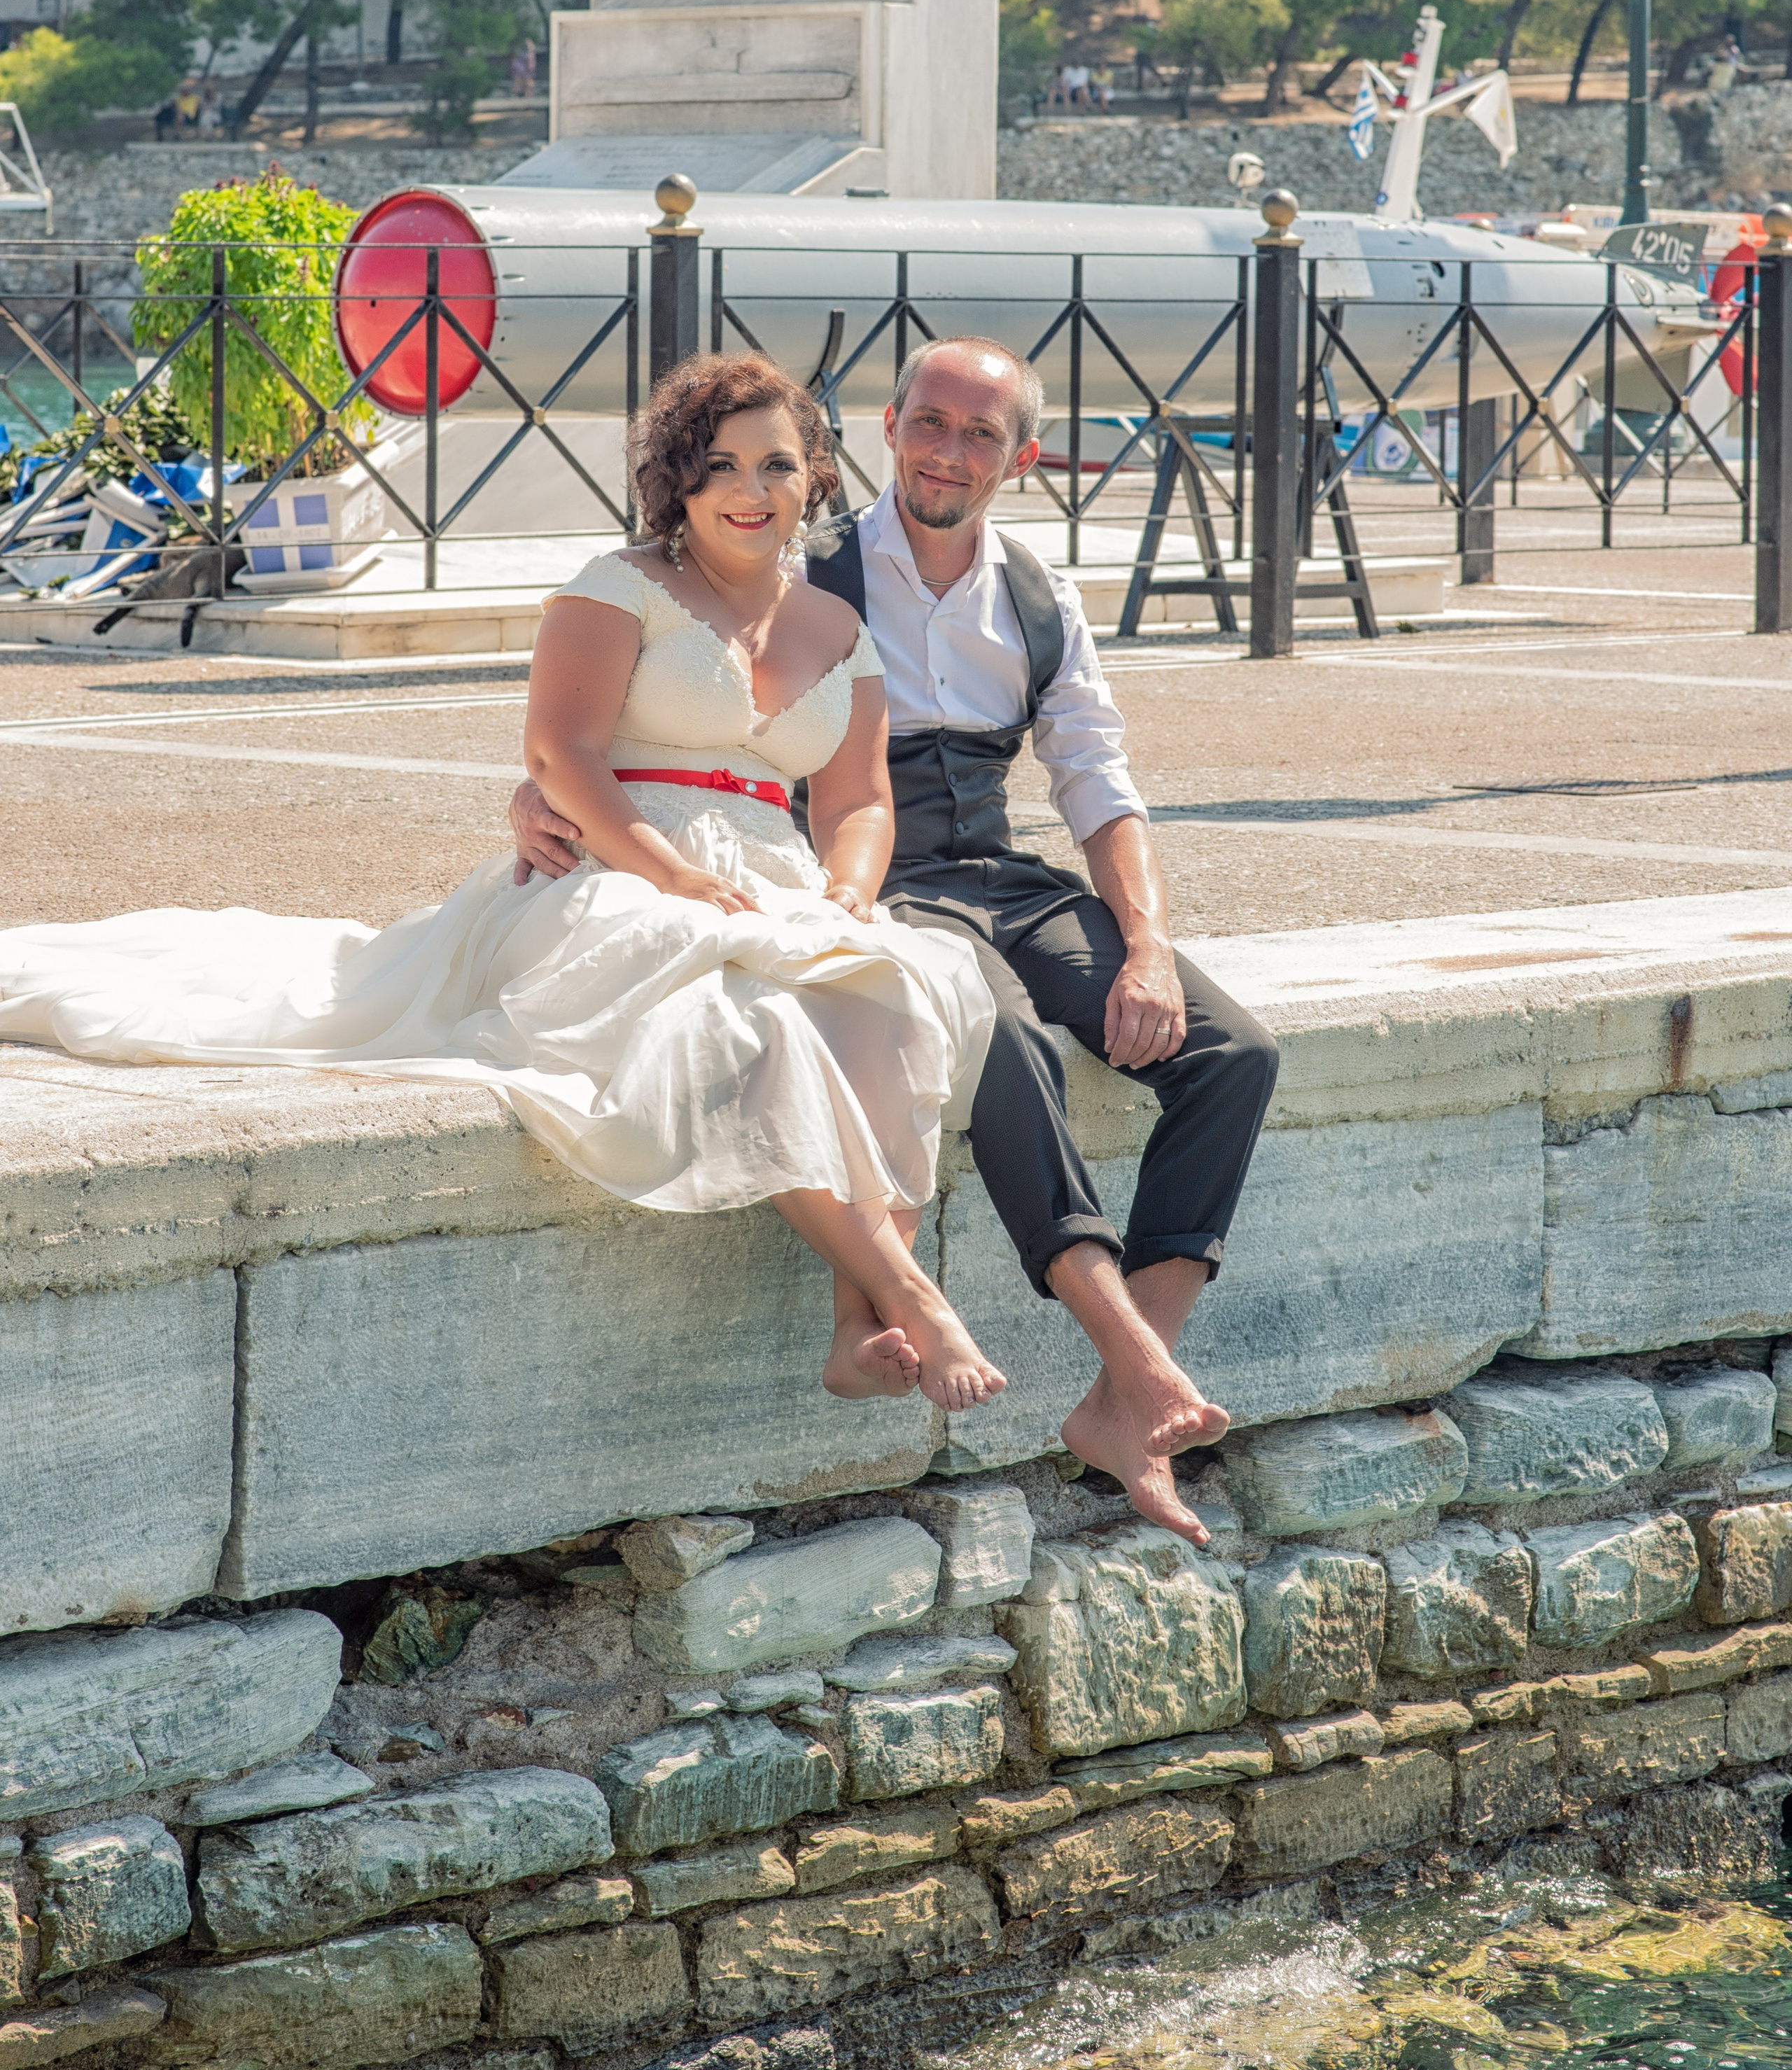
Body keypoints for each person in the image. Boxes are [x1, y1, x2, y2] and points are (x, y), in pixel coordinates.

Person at [0, 354, 1007, 1418]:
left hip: (775, 877)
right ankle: (913, 1297)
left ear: (814, 478)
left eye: (776, 466)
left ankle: (857, 1328)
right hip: (611, 867)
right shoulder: (618, 585)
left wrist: (850, 889)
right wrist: (669, 874)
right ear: (679, 480)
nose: (750, 493)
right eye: (719, 467)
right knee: (742, 1021)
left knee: (887, 998)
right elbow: (560, 754)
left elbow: (859, 802)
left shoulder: (839, 632)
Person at [514, 339, 1279, 1544]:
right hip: (868, 882)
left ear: (1020, 458)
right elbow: (642, 700)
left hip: (994, 867)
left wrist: (1147, 944)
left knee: (1235, 1052)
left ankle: (1131, 1389)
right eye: (930, 423)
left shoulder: (1039, 593)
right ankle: (1126, 1356)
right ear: (885, 427)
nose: (947, 452)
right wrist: (542, 796)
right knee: (1006, 1043)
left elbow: (1098, 782)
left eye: (980, 435)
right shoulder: (785, 554)